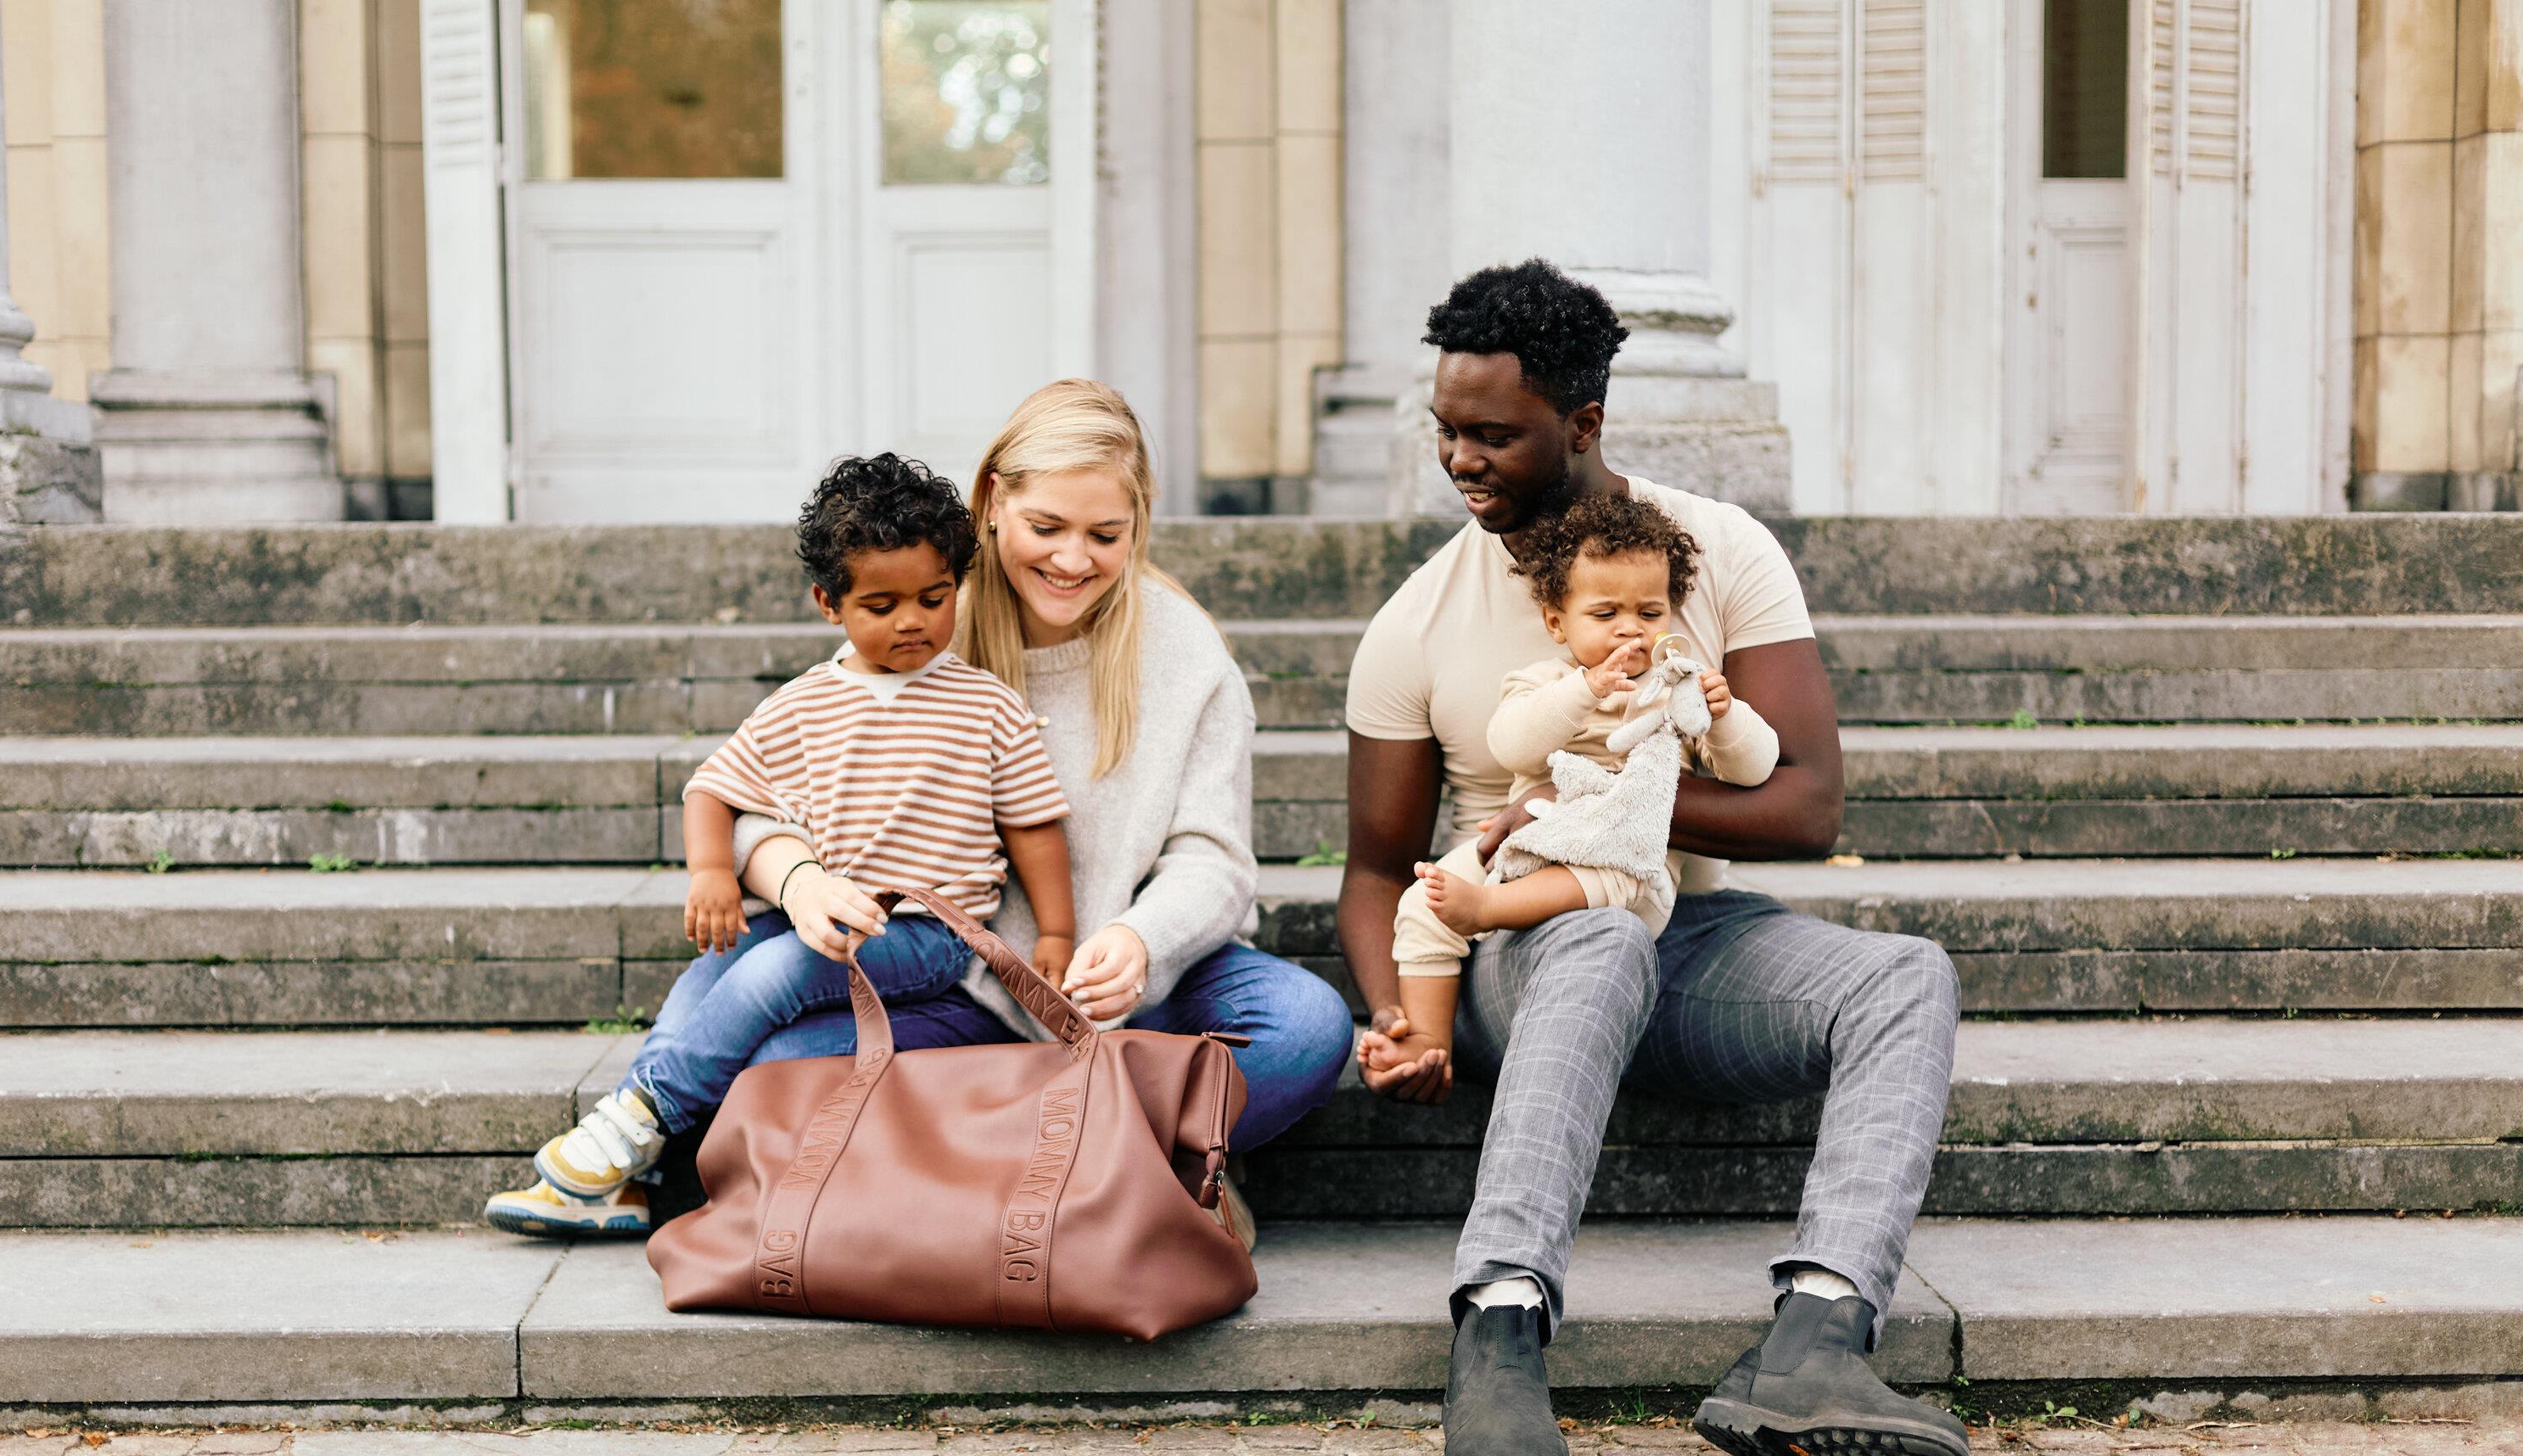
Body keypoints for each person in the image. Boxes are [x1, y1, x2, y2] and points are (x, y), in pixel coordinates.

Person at [1340, 260, 1970, 1456]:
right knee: (1597, 938)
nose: (1462, 460)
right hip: (1517, 935)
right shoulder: (1416, 623)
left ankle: (1817, 1338)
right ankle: (1503, 1325)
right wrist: (1398, 1014)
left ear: (1582, 425)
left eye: (1495, 435)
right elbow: (1374, 865)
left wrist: (1616, 801)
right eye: (1447, 432)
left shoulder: (1717, 555)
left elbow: (1804, 799)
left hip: (1680, 923)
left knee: (1906, 976)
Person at [733, 380, 1354, 1233]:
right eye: (1047, 528)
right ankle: (1134, 1164)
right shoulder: (928, 613)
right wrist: (799, 878)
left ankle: (1008, 1162)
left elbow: (1214, 859)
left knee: (1308, 1024)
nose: (1073, 560)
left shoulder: (1184, 651)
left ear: (1140, 523)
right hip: (960, 989)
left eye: (1106, 534)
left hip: (1136, 994)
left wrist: (1139, 939)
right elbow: (767, 797)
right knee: (778, 1063)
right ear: (993, 502)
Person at [484, 453, 1077, 1239]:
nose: (912, 621)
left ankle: (640, 1117)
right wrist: (710, 874)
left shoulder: (984, 704)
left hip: (928, 932)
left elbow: (1034, 824)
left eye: (934, 599)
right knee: (702, 988)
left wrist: (1060, 931)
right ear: (828, 602)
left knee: (787, 970)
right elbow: (713, 787)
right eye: (882, 603)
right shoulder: (802, 704)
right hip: (818, 913)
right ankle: (628, 1177)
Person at [1365, 488, 1777, 1087]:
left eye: (1650, 613)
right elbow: (1512, 743)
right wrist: (1585, 690)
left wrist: (1728, 715)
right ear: (1557, 622)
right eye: (1605, 615)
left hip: (1627, 865)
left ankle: (1486, 910)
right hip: (1530, 844)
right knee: (1422, 905)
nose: (1629, 632)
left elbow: (1754, 769)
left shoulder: (1673, 697)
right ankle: (1428, 1039)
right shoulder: (1542, 683)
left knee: (1608, 882)